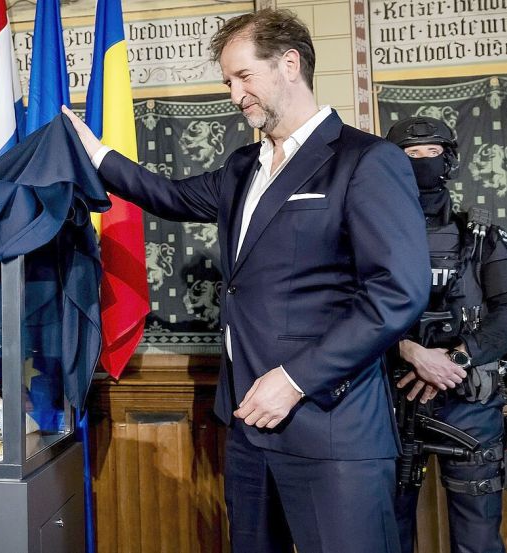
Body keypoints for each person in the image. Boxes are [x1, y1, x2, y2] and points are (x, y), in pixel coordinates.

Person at [63, 9, 430, 553]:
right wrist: (96, 154)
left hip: (330, 425)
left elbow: (396, 292)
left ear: (289, 64)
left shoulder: (365, 160)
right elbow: (171, 195)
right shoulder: (242, 166)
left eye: (243, 77)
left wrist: (297, 379)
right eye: (228, 81)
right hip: (247, 426)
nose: (235, 95)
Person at [386, 116, 507, 553]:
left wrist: (455, 360)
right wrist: (410, 352)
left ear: (449, 160)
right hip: (391, 400)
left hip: (468, 400)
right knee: (383, 534)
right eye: (409, 157)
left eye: (431, 154)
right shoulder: (368, 236)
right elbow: (345, 314)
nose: (421, 164)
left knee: (477, 540)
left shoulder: (482, 235)